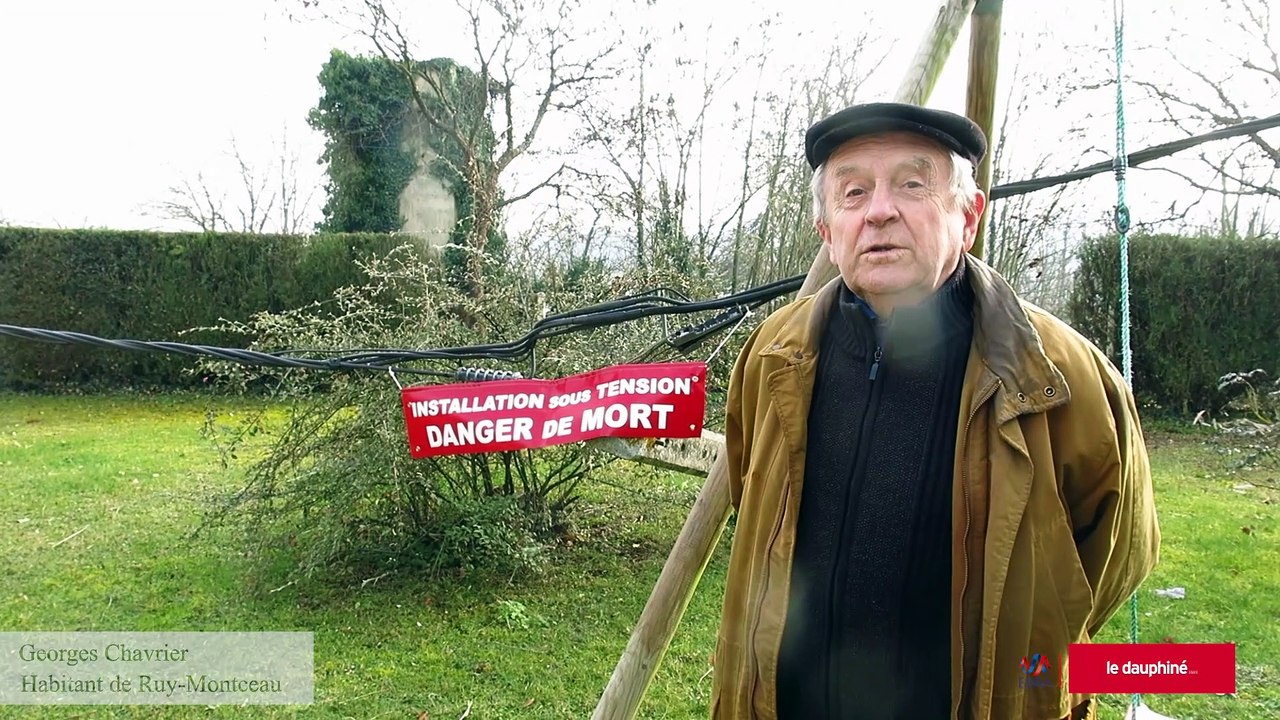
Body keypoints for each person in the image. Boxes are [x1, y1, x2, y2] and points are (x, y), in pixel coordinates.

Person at [709, 102, 1160, 720]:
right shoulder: (774, 353)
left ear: (968, 216)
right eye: (853, 192)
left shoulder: (1059, 376)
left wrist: (1025, 642)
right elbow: (754, 497)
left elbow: (1119, 551)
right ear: (827, 231)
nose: (879, 211)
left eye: (912, 184)